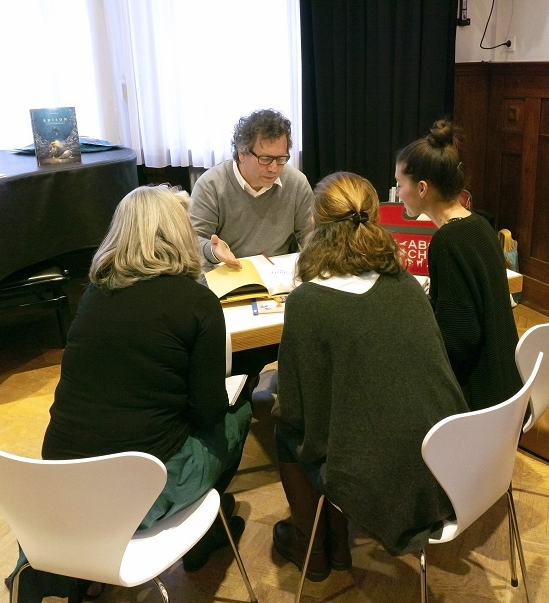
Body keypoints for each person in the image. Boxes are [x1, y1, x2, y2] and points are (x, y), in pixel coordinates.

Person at [38, 185, 252, 581]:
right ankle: (203, 537)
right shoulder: (196, 302)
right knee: (239, 413)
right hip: (139, 494)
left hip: (62, 486)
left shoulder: (94, 296)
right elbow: (207, 412)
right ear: (180, 234)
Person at [272, 172, 469, 582]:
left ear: (315, 224)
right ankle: (337, 544)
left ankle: (313, 552)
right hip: (451, 468)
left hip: (383, 487)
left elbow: (298, 411)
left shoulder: (307, 301)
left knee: (284, 430)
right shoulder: (407, 285)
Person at [395, 119, 523, 411]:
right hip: (506, 389)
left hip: (480, 402)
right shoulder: (479, 224)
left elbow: (458, 339)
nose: (398, 193)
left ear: (422, 188)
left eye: (400, 184)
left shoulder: (447, 241)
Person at [188, 108, 314, 396]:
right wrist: (213, 250)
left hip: (277, 282)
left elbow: (309, 239)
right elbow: (191, 241)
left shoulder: (295, 183)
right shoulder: (212, 184)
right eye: (265, 159)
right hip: (226, 279)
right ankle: (234, 393)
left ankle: (287, 392)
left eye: (281, 159)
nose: (274, 168)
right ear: (241, 153)